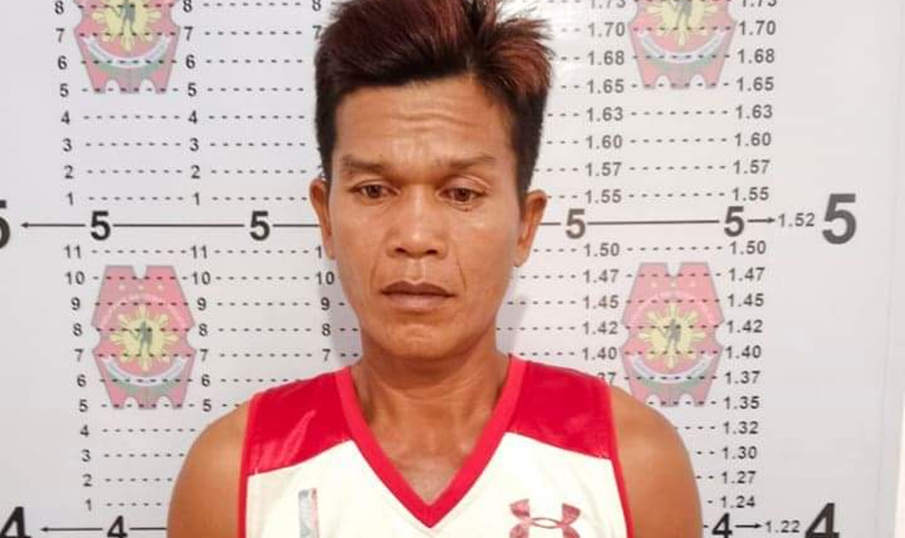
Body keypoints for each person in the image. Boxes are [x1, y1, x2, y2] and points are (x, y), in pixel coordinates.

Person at [167, 0, 702, 536]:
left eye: (461, 193)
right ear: (326, 218)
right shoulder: (234, 475)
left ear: (526, 224)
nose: (416, 237)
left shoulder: (633, 463)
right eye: (374, 190)